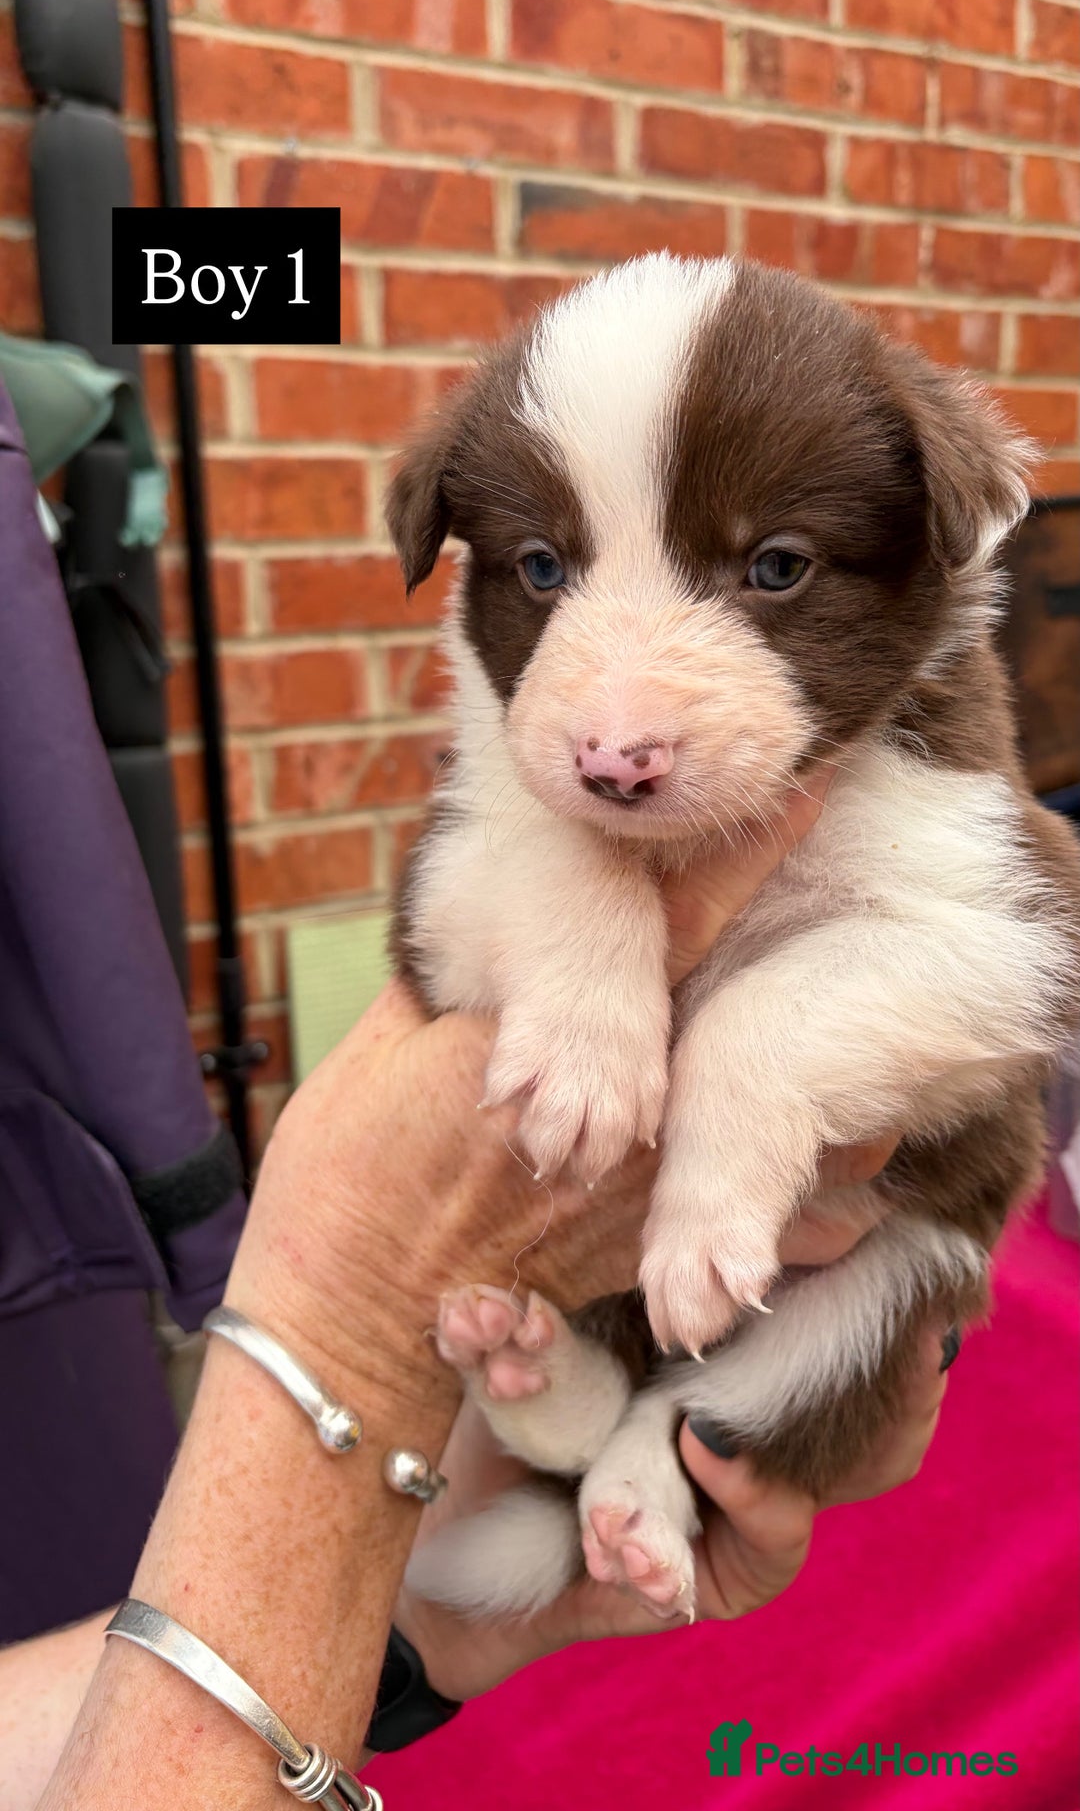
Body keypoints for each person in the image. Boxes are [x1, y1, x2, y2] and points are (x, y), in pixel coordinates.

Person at [0, 776, 950, 1811]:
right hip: (612, 1328)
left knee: (872, 1289)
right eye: (543, 594)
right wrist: (356, 1311)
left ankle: (645, 1441)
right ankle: (612, 1427)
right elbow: (456, 911)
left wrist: (413, 1623)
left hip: (771, 1301)